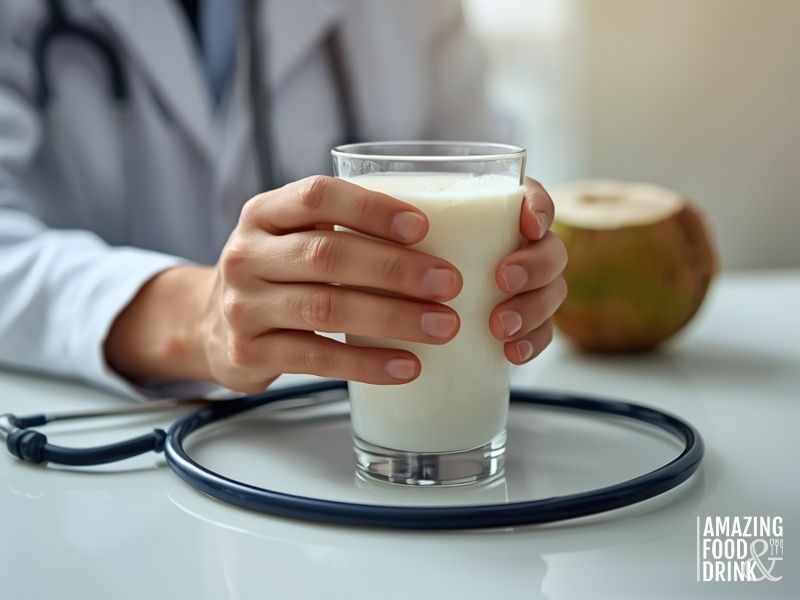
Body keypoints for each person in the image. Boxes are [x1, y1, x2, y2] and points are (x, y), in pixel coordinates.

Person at [0, 0, 567, 398]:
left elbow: (474, 165)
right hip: (101, 448)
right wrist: (196, 317)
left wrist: (519, 258)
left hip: (339, 443)